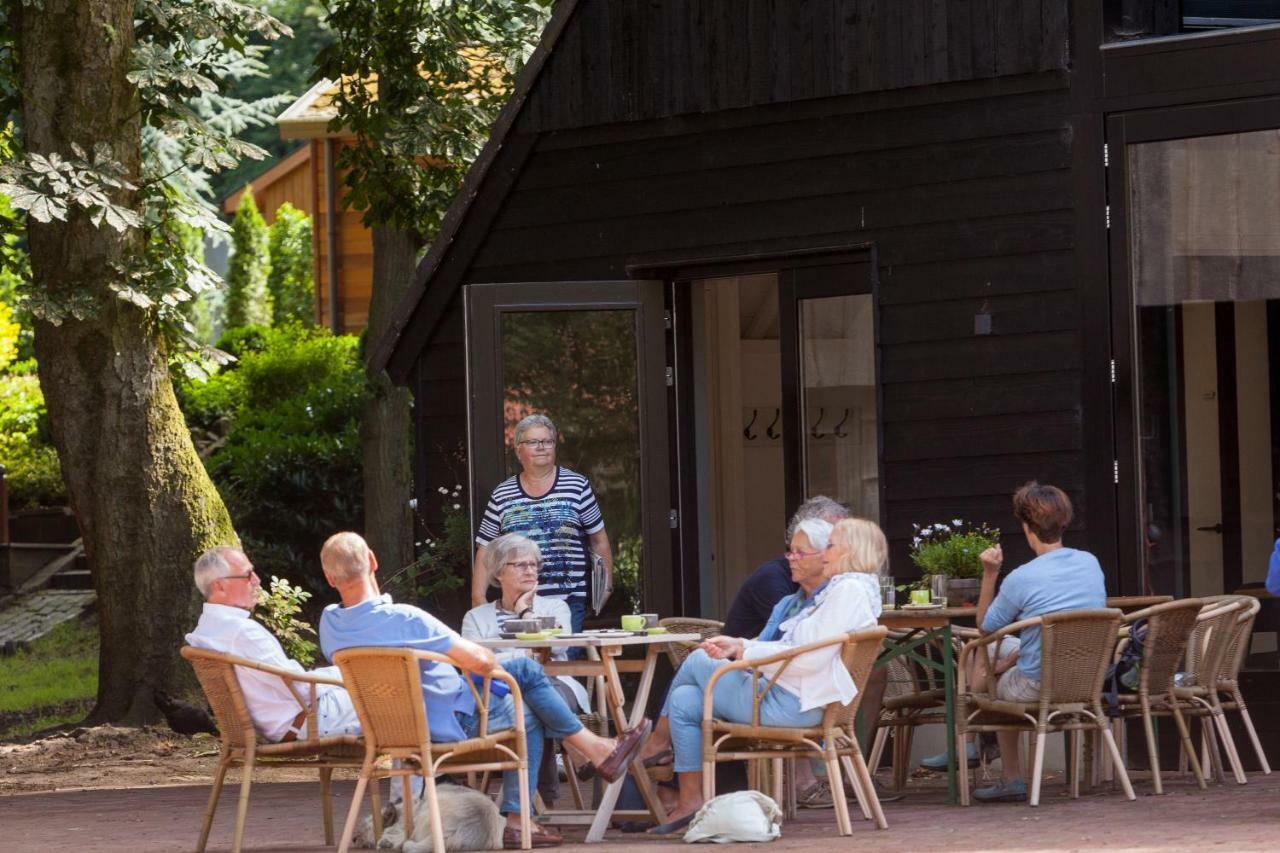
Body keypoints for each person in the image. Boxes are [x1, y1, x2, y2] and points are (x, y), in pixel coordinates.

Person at [318, 532, 648, 849]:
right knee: (527, 683)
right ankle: (587, 756)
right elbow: (480, 660)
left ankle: (540, 802)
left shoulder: (330, 625)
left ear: (330, 579)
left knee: (526, 692)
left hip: (389, 731)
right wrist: (492, 665)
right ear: (373, 562)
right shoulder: (407, 619)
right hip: (454, 723)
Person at [638, 517, 887, 834]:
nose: (826, 552)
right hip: (793, 697)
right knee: (685, 700)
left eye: (832, 544)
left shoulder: (847, 592)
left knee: (699, 659)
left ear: (850, 550)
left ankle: (656, 743)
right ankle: (690, 801)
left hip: (791, 705)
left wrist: (744, 651)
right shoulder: (843, 591)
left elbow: (806, 657)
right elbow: (797, 647)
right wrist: (741, 644)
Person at [969, 481, 1107, 803]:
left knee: (985, 652)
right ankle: (975, 744)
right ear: (1064, 522)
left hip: (1036, 686)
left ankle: (989, 756)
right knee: (1001, 655)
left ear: (1026, 526)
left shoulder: (1021, 576)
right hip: (1085, 679)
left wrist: (990, 573)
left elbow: (984, 626)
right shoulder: (1090, 562)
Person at [461, 532, 589, 806]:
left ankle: (530, 807)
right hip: (498, 694)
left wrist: (524, 613)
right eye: (520, 565)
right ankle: (579, 752)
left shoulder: (555, 607)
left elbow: (556, 647)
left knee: (530, 702)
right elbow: (475, 663)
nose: (530, 570)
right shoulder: (476, 617)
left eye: (533, 564)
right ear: (498, 572)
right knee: (528, 704)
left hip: (557, 684)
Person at [184, 546, 359, 742]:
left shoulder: (207, 630)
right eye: (248, 575)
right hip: (307, 721)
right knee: (393, 695)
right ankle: (398, 771)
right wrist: (345, 674)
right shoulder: (242, 632)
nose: (257, 581)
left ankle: (396, 771)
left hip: (287, 722)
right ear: (220, 586)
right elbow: (299, 686)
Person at [472, 414, 613, 637]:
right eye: (533, 442)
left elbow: (598, 539)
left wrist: (605, 587)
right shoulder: (502, 494)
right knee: (524, 656)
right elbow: (487, 547)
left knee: (561, 655)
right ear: (519, 450)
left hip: (569, 598)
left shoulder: (577, 486)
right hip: (518, 598)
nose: (542, 447)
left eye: (547, 441)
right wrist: (478, 597)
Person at [722, 495, 849, 638]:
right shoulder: (775, 584)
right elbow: (778, 639)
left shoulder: (844, 589)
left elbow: (793, 645)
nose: (792, 558)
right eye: (832, 537)